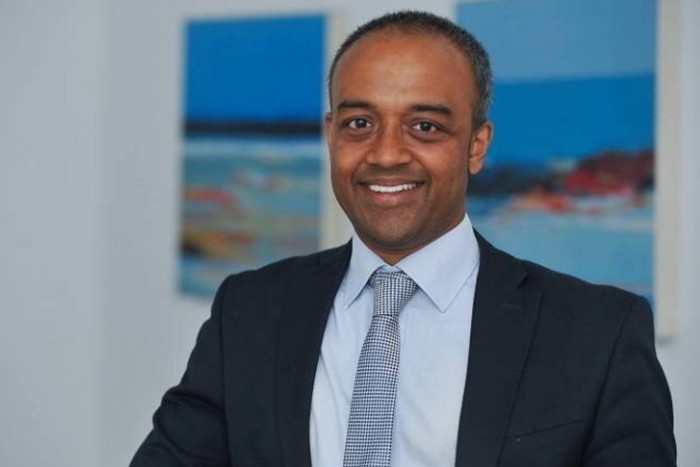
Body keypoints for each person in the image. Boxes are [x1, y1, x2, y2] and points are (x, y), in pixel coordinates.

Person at [131, 10, 675, 467]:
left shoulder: (599, 335)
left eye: (425, 127)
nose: (386, 154)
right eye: (360, 123)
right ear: (330, 135)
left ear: (477, 146)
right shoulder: (249, 311)